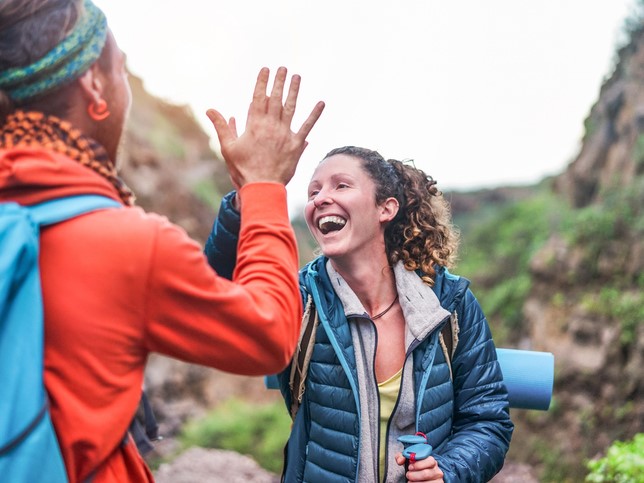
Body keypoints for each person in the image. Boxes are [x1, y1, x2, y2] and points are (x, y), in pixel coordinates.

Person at [0, 0, 324, 481]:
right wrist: (264, 187)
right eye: (121, 71)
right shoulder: (125, 243)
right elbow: (271, 334)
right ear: (94, 84)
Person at [206, 146, 514, 482]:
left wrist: (448, 472)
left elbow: (486, 420)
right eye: (314, 191)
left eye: (341, 186)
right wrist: (248, 195)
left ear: (386, 208)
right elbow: (214, 302)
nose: (321, 198)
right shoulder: (301, 300)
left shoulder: (449, 304)